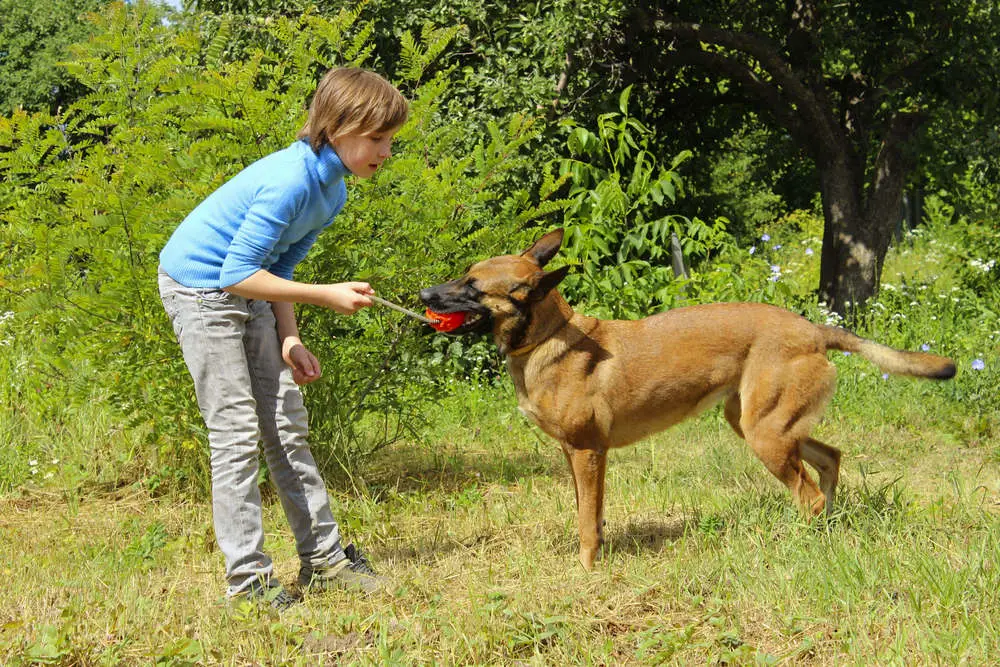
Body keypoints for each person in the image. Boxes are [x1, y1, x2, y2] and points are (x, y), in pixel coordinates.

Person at [157, 67, 408, 609]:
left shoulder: (332, 191)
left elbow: (279, 271)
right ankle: (247, 582)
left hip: (249, 289)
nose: (387, 152)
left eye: (391, 140)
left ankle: (325, 562)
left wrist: (290, 340)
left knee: (286, 426)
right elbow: (233, 274)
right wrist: (329, 294)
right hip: (201, 291)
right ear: (341, 128)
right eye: (379, 139)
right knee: (236, 432)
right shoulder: (292, 179)